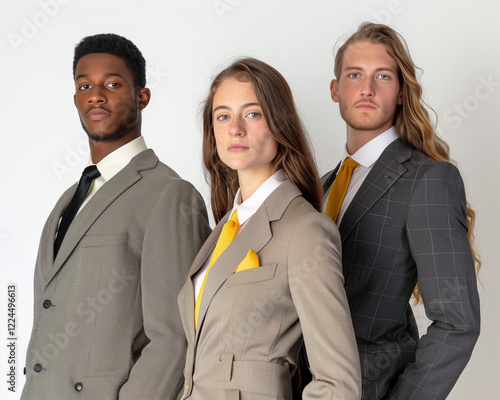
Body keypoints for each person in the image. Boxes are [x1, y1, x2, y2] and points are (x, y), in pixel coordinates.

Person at [21, 33, 211, 400]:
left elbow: (175, 337)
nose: (96, 94)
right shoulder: (69, 199)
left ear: (142, 96)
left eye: (112, 83)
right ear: (75, 98)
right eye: (84, 85)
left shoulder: (169, 195)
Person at [310, 22, 480, 400]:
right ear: (336, 90)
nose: (367, 88)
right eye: (355, 75)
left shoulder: (428, 180)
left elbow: (458, 323)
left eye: (382, 76)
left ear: (401, 92)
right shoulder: (317, 188)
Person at [177, 57, 361, 399]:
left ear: (279, 123)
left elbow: (338, 383)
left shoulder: (305, 229)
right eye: (223, 116)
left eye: (252, 113)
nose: (235, 128)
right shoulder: (222, 229)